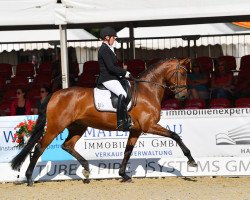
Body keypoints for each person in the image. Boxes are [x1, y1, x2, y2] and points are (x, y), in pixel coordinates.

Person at [97, 27, 132, 131]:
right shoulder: (104, 49)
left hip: (113, 77)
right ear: (107, 38)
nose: (114, 40)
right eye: (113, 38)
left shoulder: (109, 48)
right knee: (123, 94)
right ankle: (121, 121)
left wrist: (122, 75)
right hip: (107, 78)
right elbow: (111, 67)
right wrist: (124, 72)